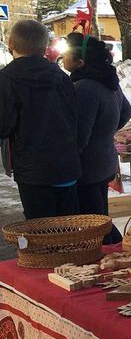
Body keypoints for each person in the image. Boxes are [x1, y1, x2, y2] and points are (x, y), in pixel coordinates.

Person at [0, 19, 81, 218]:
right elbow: (74, 117)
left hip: (33, 171)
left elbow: (4, 126)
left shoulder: (7, 79)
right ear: (45, 47)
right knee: (67, 231)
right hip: (67, 166)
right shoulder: (61, 76)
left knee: (41, 235)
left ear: (11, 44)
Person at [62, 32, 131, 243]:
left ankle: (113, 260)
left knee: (95, 226)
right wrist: (106, 131)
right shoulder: (109, 82)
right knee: (101, 218)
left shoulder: (84, 88)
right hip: (104, 160)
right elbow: (126, 112)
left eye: (66, 54)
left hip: (88, 167)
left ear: (80, 62)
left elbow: (80, 136)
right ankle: (116, 253)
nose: (62, 58)